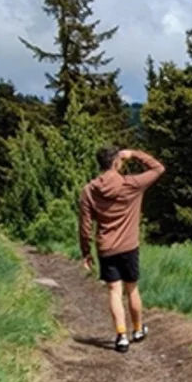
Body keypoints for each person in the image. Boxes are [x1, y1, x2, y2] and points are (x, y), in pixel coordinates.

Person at [77, 147, 165, 353]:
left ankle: (121, 336)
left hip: (106, 248)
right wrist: (134, 154)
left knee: (114, 291)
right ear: (116, 162)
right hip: (129, 246)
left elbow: (85, 226)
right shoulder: (131, 184)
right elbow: (158, 168)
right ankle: (137, 330)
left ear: (100, 164)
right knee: (131, 288)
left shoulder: (89, 191)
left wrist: (85, 251)